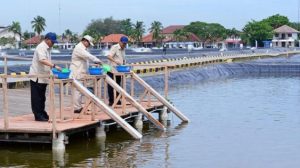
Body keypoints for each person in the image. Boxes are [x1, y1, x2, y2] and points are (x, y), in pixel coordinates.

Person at [29, 32, 62, 121]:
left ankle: (42, 113)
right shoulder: (41, 47)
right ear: (47, 40)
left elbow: (47, 62)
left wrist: (52, 74)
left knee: (42, 97)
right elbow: (42, 60)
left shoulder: (48, 48)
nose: (53, 44)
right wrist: (54, 66)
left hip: (43, 76)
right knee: (37, 98)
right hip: (37, 76)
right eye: (52, 42)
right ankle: (38, 116)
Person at [70, 35, 103, 113]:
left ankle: (78, 106)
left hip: (81, 72)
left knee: (79, 91)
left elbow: (86, 58)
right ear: (85, 41)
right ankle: (77, 108)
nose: (89, 46)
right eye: (89, 44)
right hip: (77, 72)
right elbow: (88, 56)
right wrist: (97, 60)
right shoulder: (79, 48)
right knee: (77, 91)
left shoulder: (83, 48)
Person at [107, 36, 128, 106]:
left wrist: (125, 65)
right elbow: (109, 56)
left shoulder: (123, 49)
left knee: (118, 85)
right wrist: (115, 61)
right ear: (120, 42)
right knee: (111, 86)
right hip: (111, 70)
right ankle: (111, 101)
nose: (124, 45)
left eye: (125, 44)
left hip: (119, 71)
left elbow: (123, 59)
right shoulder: (115, 47)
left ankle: (118, 99)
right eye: (123, 43)